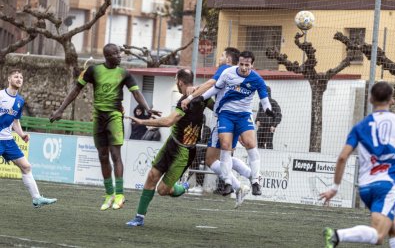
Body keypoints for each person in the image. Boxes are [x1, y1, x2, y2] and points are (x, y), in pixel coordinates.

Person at [50, 43, 160, 211]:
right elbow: (75, 90)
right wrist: (60, 110)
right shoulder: (93, 71)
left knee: (116, 155)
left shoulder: (124, 73)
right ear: (108, 56)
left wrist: (147, 108)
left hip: (114, 116)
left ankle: (120, 194)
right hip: (98, 117)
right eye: (116, 54)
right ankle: (109, 194)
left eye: (120, 53)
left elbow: (136, 93)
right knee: (102, 155)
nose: (120, 56)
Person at [320, 81, 395, 248]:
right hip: (387, 186)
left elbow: (342, 157)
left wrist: (334, 188)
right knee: (378, 236)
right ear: (392, 100)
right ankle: (336, 235)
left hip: (365, 187)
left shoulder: (360, 126)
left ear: (370, 99)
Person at [125, 68, 213, 227]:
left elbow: (168, 122)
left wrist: (142, 122)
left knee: (163, 190)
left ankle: (183, 187)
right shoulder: (196, 95)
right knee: (152, 176)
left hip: (185, 152)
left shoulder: (197, 98)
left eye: (175, 81)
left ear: (179, 82)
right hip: (172, 143)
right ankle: (139, 217)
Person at [190, 51, 278, 197]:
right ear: (238, 63)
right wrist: (201, 97)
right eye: (241, 64)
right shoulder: (227, 72)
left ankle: (254, 181)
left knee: (249, 143)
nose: (243, 68)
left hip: (243, 116)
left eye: (247, 65)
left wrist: (268, 110)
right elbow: (215, 87)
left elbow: (264, 99)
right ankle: (229, 183)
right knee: (224, 147)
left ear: (252, 65)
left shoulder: (256, 79)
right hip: (224, 114)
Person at [182, 47, 252, 208]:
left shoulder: (225, 69)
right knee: (225, 157)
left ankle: (242, 184)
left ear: (228, 60)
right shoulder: (236, 75)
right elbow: (213, 91)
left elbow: (209, 85)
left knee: (211, 159)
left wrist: (192, 95)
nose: (219, 58)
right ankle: (250, 178)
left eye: (221, 55)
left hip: (224, 120)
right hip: (236, 120)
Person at [0, 69, 57, 207]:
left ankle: (36, 198)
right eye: (16, 76)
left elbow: (15, 121)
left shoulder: (20, 100)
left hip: (8, 140)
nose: (19, 79)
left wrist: (22, 134)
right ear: (9, 79)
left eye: (21, 77)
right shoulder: (1, 95)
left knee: (26, 166)